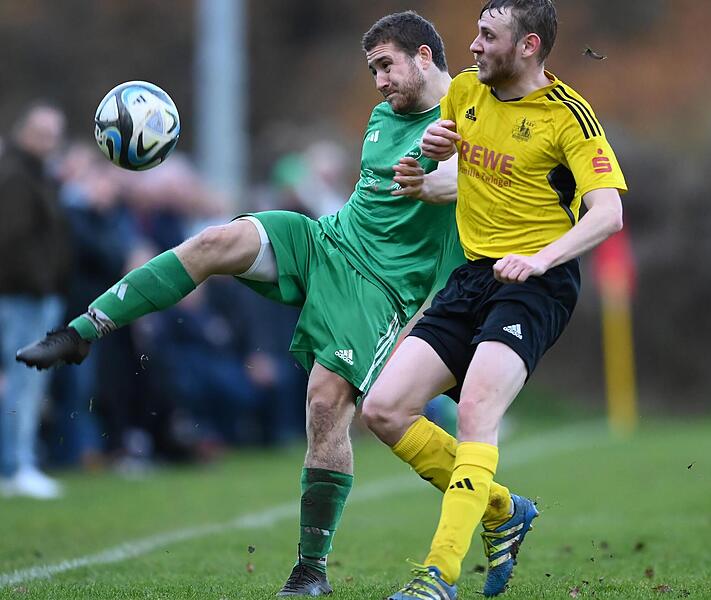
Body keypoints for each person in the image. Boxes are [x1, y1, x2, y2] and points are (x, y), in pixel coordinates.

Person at [15, 11, 518, 597]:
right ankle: (83, 330)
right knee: (213, 241)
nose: (378, 82)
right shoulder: (383, 118)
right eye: (372, 69)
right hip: (326, 242)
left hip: (380, 290)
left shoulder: (469, 117)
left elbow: (474, 176)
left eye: (386, 66)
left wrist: (440, 184)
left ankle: (313, 569)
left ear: (425, 57)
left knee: (324, 406)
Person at [361, 1, 628, 598]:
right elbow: (466, 174)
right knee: (383, 409)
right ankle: (504, 511)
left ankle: (438, 575)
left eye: (488, 35)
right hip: (473, 278)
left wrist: (540, 258)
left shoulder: (570, 118)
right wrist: (427, 173)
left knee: (478, 411)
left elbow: (608, 213)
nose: (474, 46)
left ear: (528, 46)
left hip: (537, 285)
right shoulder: (462, 93)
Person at [0, 101, 70, 499]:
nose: (48, 142)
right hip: (23, 296)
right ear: (23, 131)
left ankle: (20, 461)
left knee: (31, 386)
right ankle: (15, 466)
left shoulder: (37, 174)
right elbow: (12, 240)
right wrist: (40, 282)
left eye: (53, 134)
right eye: (42, 133)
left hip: (38, 295)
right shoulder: (14, 175)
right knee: (23, 385)